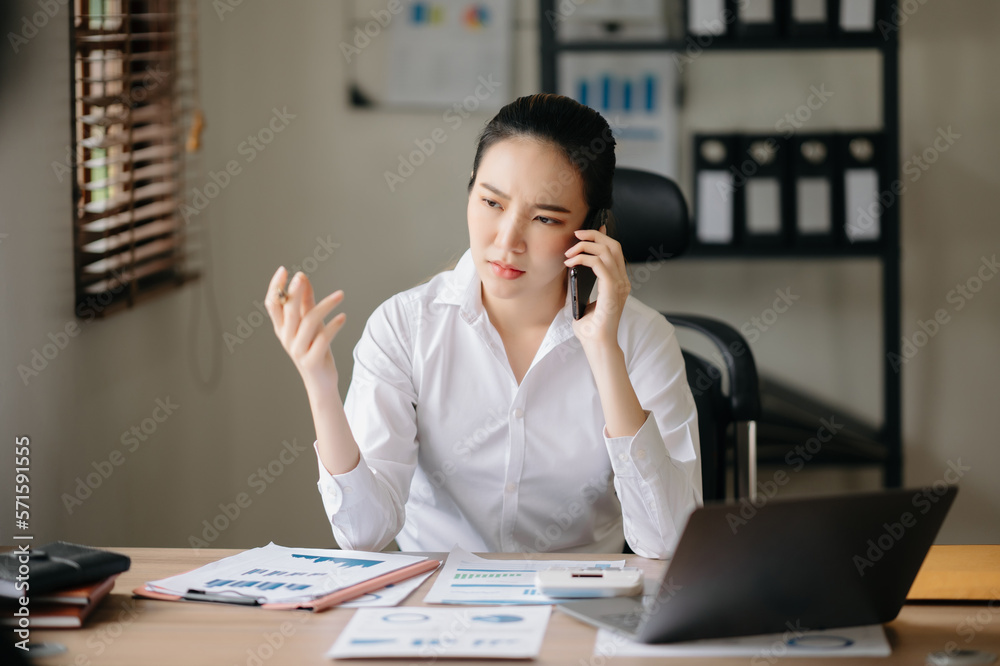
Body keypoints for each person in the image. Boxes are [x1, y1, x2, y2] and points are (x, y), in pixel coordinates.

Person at [265, 93, 700, 559]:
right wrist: (320, 385)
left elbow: (668, 543)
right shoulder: (404, 326)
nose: (507, 240)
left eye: (545, 218)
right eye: (492, 202)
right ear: (470, 192)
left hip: (579, 605)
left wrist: (604, 352)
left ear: (591, 230)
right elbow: (363, 535)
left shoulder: (643, 340)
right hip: (435, 603)